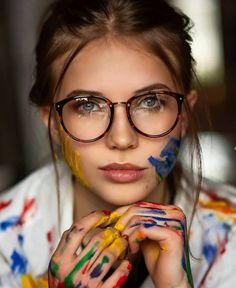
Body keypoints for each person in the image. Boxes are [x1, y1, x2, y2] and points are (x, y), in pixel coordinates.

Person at [0, 0, 236, 287]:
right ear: (52, 120)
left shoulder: (231, 236)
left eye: (151, 102)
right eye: (87, 105)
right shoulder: (5, 244)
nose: (122, 139)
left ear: (184, 113)